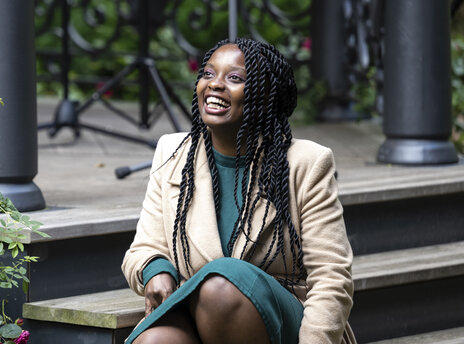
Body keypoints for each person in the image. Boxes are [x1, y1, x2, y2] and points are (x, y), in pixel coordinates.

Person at [121, 38, 356, 344]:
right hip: (198, 313)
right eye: (208, 74)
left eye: (234, 78)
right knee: (156, 341)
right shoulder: (173, 153)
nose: (215, 84)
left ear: (264, 94)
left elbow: (331, 276)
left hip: (284, 322)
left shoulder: (307, 163)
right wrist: (156, 270)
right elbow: (143, 248)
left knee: (221, 286)